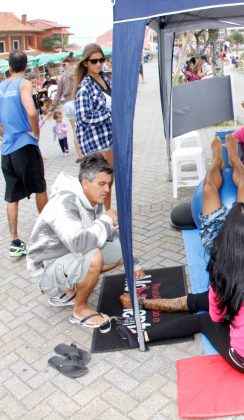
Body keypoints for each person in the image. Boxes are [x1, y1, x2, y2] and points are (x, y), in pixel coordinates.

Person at [117, 137, 244, 375]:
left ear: (229, 234)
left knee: (203, 319)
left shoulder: (221, 269)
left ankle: (141, 334)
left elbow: (217, 315)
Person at [26, 154, 144, 328]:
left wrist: (134, 263)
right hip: (45, 274)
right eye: (101, 184)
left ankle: (69, 290)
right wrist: (105, 221)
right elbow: (80, 243)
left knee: (120, 253)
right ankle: (79, 309)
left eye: (109, 184)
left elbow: (109, 234)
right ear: (85, 183)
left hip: (65, 258)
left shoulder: (93, 201)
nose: (107, 190)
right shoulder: (65, 202)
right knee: (94, 257)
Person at [0, 50, 48, 257]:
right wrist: (35, 133)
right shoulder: (24, 83)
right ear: (26, 66)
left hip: (7, 150)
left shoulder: (1, 87)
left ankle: (15, 242)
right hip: (25, 145)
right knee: (40, 187)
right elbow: (31, 110)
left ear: (9, 67)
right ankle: (49, 233)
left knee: (12, 197)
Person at [74, 43, 114, 210]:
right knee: (102, 185)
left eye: (101, 60)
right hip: (96, 143)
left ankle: (106, 217)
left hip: (109, 138)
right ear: (85, 63)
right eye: (94, 61)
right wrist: (108, 114)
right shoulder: (84, 88)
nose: (98, 64)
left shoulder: (104, 78)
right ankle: (102, 219)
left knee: (108, 184)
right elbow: (83, 117)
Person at [46, 57, 82, 160]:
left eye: (64, 64)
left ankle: (80, 157)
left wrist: (51, 110)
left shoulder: (63, 76)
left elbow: (58, 95)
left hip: (68, 104)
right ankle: (85, 153)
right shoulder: (77, 73)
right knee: (82, 128)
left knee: (75, 131)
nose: (64, 66)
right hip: (77, 101)